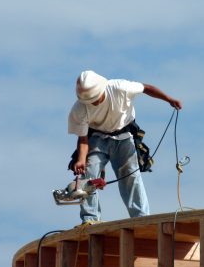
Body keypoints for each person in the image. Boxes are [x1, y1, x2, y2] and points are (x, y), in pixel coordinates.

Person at [68, 70, 182, 224]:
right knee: (88, 173)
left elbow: (147, 88)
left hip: (124, 137)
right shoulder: (79, 109)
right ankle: (90, 219)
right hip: (97, 138)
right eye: (89, 101)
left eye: (95, 99)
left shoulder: (119, 87)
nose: (93, 103)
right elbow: (83, 139)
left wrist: (169, 99)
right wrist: (81, 160)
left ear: (102, 89)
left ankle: (141, 218)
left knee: (130, 176)